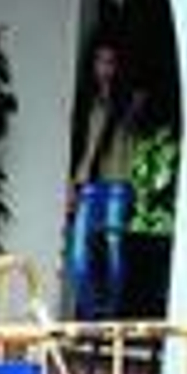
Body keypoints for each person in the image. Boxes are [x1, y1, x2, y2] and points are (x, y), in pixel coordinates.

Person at [66, 37, 145, 321]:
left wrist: (118, 96)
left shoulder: (130, 100)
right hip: (86, 182)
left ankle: (111, 316)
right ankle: (90, 316)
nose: (104, 69)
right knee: (77, 255)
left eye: (110, 62)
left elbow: (135, 120)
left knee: (113, 250)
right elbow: (80, 145)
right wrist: (72, 187)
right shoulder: (87, 100)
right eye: (99, 62)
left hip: (116, 183)